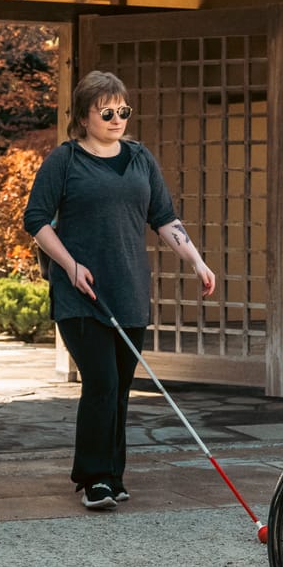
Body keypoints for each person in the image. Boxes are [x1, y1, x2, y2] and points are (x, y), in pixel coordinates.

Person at [25, 71, 216, 510]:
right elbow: (36, 220)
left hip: (129, 288)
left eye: (122, 111)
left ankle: (113, 474)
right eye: (106, 112)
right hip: (82, 292)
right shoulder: (65, 161)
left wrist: (196, 260)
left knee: (120, 386)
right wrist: (70, 266)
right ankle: (93, 478)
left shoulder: (140, 158)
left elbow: (164, 217)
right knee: (101, 382)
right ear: (84, 116)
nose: (117, 119)